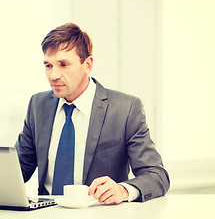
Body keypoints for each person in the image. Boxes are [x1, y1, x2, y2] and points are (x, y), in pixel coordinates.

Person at [15, 23, 170, 204]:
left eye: (63, 64)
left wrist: (123, 190)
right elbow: (17, 170)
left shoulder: (126, 109)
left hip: (100, 216)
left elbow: (157, 175)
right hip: (45, 215)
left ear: (87, 65)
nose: (53, 75)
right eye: (48, 65)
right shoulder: (37, 105)